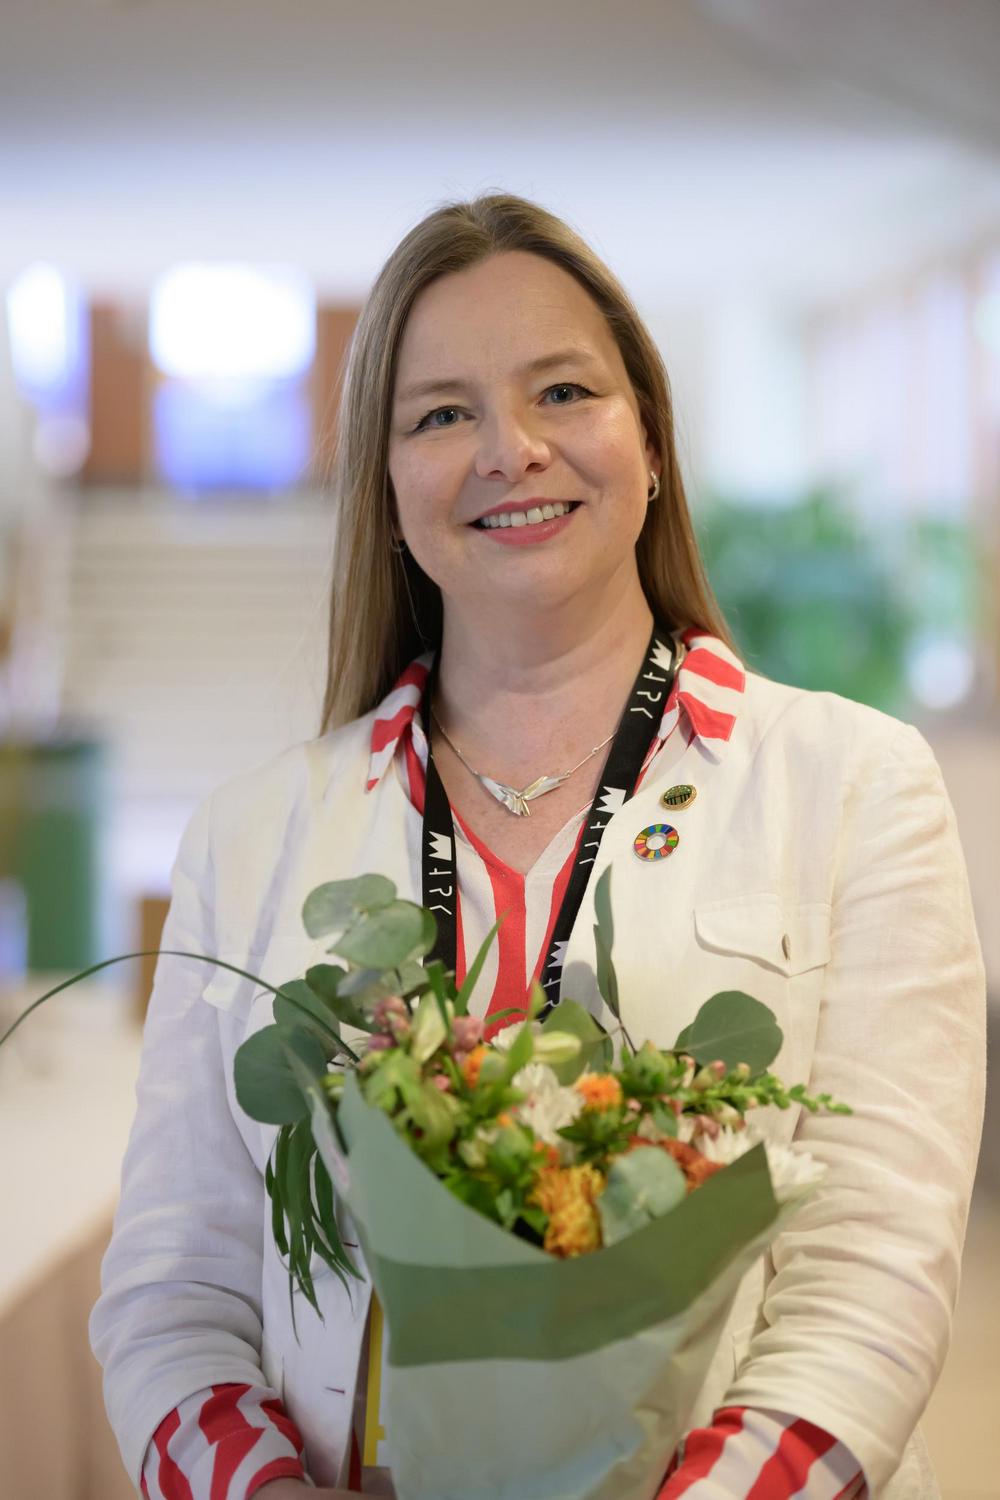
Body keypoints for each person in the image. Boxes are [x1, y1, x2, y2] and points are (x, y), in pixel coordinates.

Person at [90, 193, 986, 1500]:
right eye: (440, 415)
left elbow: (873, 1272)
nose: (511, 450)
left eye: (563, 391)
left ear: (651, 442)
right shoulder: (250, 836)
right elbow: (175, 1292)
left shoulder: (855, 787)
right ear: (386, 490)